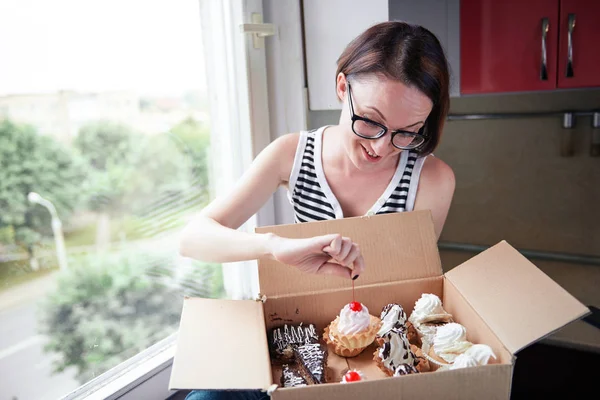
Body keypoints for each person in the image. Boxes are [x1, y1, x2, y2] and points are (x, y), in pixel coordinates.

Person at [183, 21, 454, 400]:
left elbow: (408, 290)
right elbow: (194, 238)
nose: (382, 148)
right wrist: (273, 246)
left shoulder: (433, 179)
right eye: (372, 122)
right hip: (295, 339)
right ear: (342, 87)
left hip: (376, 359)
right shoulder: (292, 155)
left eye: (407, 132)